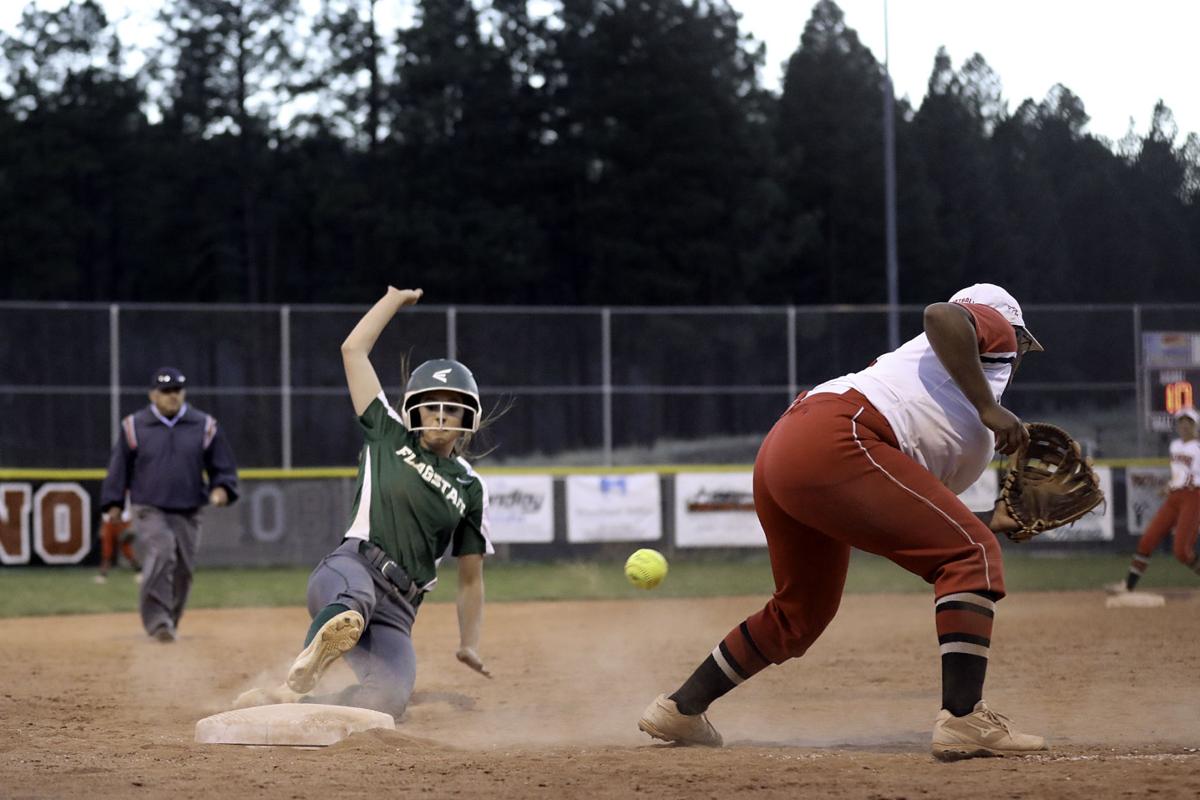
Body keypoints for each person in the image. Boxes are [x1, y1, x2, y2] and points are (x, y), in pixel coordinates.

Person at [637, 283, 1050, 761]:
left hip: (794, 447)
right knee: (969, 555)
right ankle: (964, 719)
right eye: (1020, 345)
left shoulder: (942, 404)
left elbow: (901, 515)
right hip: (840, 435)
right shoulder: (986, 339)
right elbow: (941, 315)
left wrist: (993, 521)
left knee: (801, 614)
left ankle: (680, 708)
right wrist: (989, 406)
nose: (1018, 356)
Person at [234, 286, 493, 718]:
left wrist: (468, 643)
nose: (441, 417)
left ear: (469, 418)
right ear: (413, 411)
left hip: (401, 609)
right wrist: (393, 299)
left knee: (391, 698)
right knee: (353, 603)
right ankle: (311, 660)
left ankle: (289, 700)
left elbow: (471, 579)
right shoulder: (387, 433)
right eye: (431, 408)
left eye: (453, 409)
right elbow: (353, 350)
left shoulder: (469, 485)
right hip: (353, 568)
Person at [99, 367, 239, 641]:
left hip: (189, 508)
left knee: (184, 569)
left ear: (183, 392)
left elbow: (222, 465)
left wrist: (222, 487)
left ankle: (169, 621)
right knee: (163, 551)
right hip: (148, 506)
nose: (172, 396)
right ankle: (157, 621)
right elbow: (119, 467)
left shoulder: (204, 425)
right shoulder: (134, 426)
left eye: (177, 390)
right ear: (153, 395)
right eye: (165, 391)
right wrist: (113, 502)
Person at [1108, 407, 1200, 593]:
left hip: (1193, 496)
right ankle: (1128, 586)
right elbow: (1180, 474)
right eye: (1181, 421)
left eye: (1188, 422)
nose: (1183, 425)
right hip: (1175, 497)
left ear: (1195, 425)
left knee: (1182, 552)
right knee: (1147, 541)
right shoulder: (1174, 446)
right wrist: (1169, 486)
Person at [93, 496, 141, 584]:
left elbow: (123, 506)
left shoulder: (124, 489)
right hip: (109, 522)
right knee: (107, 550)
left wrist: (126, 524)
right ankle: (103, 575)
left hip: (122, 521)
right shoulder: (109, 488)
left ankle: (139, 571)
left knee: (127, 550)